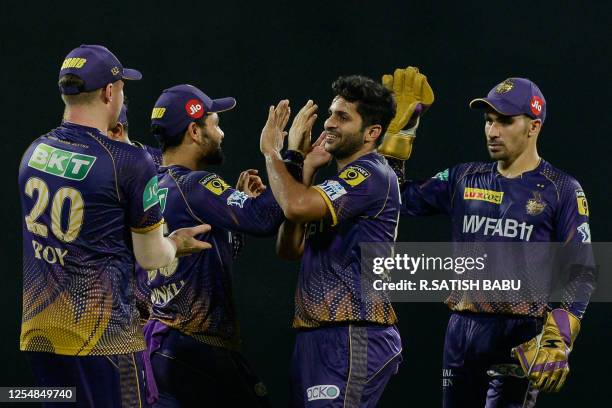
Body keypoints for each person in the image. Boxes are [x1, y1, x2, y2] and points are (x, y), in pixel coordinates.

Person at [18, 44, 210, 407]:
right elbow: (152, 257)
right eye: (122, 87)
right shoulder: (129, 161)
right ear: (110, 91)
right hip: (103, 340)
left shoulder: (34, 153)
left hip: (40, 337)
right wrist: (176, 243)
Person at [390, 74, 594, 407]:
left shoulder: (562, 189)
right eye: (488, 120)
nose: (492, 130)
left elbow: (581, 269)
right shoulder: (463, 178)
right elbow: (395, 200)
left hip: (520, 335)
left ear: (533, 126)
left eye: (505, 121)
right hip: (461, 331)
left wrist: (558, 339)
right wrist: (398, 140)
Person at [143, 84, 291, 407]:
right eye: (215, 124)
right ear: (194, 132)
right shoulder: (195, 185)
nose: (221, 133)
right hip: (195, 350)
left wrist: (231, 215)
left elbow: (207, 258)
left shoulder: (153, 187)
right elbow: (265, 218)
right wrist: (282, 156)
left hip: (165, 350)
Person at [262, 75, 403, 407]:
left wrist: (273, 153)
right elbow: (287, 248)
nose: (329, 123)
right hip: (319, 335)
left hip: (353, 332)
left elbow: (295, 205)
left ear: (372, 133)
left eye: (343, 116)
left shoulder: (370, 174)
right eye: (331, 113)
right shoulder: (336, 186)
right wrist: (306, 167)